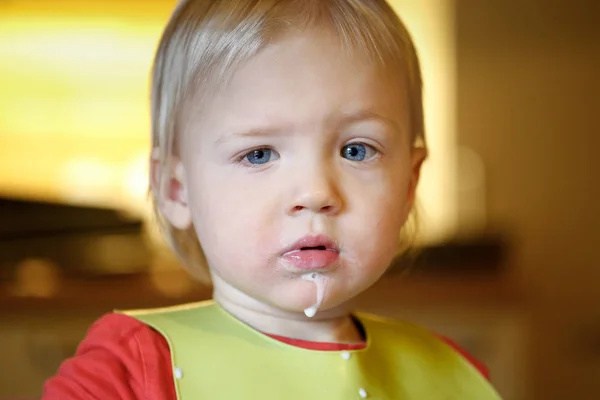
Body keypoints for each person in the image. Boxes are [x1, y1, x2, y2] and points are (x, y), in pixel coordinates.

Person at [43, 0, 501, 398]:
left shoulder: (453, 375)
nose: (316, 193)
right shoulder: (127, 374)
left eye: (356, 150)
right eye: (259, 154)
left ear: (408, 185)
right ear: (175, 190)